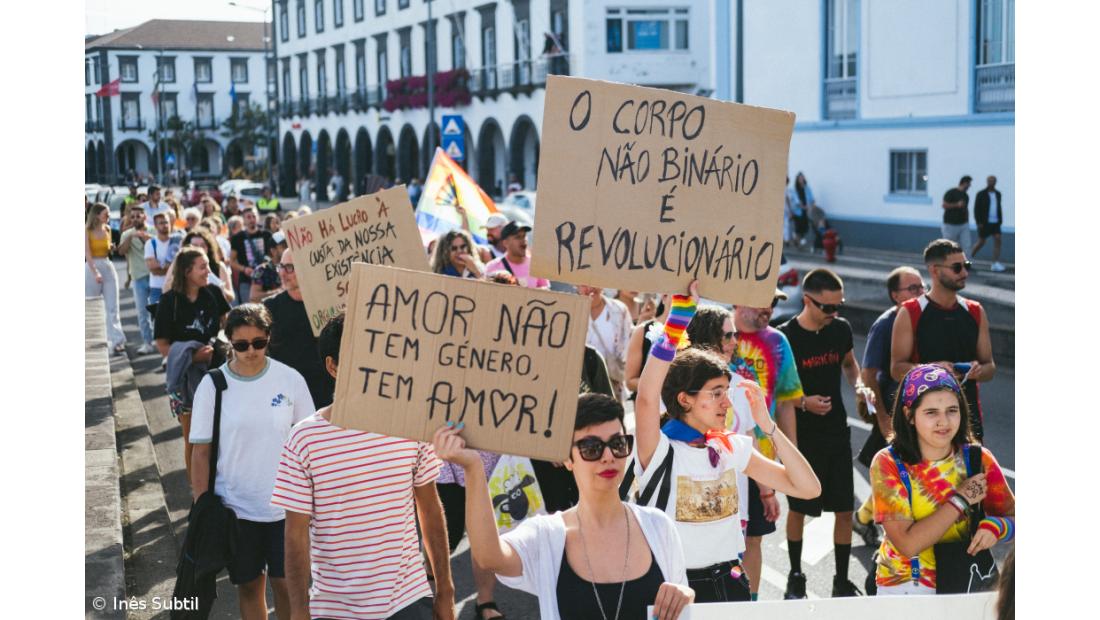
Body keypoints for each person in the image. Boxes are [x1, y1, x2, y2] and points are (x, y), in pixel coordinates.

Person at [634, 282, 821, 603]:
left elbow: (808, 489)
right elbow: (647, 397)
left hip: (730, 581)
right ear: (685, 399)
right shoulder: (660, 450)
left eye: (726, 392)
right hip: (672, 584)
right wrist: (678, 318)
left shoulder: (730, 447)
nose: (726, 403)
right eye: (716, 393)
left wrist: (769, 427)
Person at [433, 393, 696, 619]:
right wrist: (473, 468)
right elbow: (489, 556)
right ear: (567, 459)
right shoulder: (546, 535)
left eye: (617, 444)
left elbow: (682, 604)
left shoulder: (658, 526)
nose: (608, 457)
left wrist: (686, 596)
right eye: (591, 448)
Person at [274, 313, 456, 620]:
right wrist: (298, 611)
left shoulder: (411, 424)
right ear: (333, 367)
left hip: (409, 601)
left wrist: (445, 590)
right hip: (335, 610)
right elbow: (295, 535)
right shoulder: (304, 439)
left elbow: (429, 508)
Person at [190, 304, 315, 619]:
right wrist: (202, 506)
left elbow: (310, 444)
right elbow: (200, 452)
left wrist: (315, 499)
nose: (251, 351)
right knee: (248, 587)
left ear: (268, 338)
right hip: (236, 509)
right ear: (229, 341)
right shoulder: (213, 385)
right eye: (241, 345)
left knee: (288, 586)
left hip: (286, 509)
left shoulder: (290, 380)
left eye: (258, 342)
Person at [870, 365, 1014, 595]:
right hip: (905, 590)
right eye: (931, 412)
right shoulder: (888, 463)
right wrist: (962, 499)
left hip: (966, 584)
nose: (944, 421)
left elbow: (1014, 517)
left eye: (952, 410)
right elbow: (908, 545)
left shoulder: (978, 459)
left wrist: (997, 527)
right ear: (909, 416)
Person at [778, 268, 875, 598]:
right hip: (802, 437)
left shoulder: (840, 329)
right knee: (800, 509)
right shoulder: (786, 336)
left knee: (844, 509)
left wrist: (859, 386)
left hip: (836, 432)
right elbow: (774, 391)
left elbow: (849, 364)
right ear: (807, 301)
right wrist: (803, 402)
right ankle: (795, 575)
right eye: (828, 307)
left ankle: (841, 580)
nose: (835, 313)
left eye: (839, 306)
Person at [727, 290, 804, 600]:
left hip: (761, 462)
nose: (769, 309)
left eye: (774, 303)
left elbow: (786, 402)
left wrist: (791, 456)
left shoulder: (778, 342)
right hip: (721, 458)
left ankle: (751, 604)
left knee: (754, 538)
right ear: (736, 299)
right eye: (762, 301)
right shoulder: (712, 335)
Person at [891, 239, 995, 441]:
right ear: (935, 271)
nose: (964, 272)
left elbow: (990, 367)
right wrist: (932, 371)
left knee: (973, 473)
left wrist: (978, 370)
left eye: (967, 266)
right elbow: (896, 369)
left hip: (968, 422)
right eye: (957, 267)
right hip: (926, 425)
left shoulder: (975, 311)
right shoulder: (911, 311)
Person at [854, 266, 925, 548]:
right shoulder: (885, 324)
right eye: (913, 289)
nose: (921, 293)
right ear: (896, 296)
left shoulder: (924, 317)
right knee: (898, 474)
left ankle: (864, 517)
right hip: (893, 411)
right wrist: (883, 419)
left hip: (917, 411)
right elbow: (869, 373)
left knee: (912, 471)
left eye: (922, 287)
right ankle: (889, 534)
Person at [154, 248, 231, 482]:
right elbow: (162, 345)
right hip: (184, 382)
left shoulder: (214, 294)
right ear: (187, 271)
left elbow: (227, 329)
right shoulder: (169, 302)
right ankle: (197, 493)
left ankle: (217, 484)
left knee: (221, 433)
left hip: (217, 374)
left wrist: (218, 347)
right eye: (202, 266)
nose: (209, 271)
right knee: (193, 437)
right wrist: (192, 356)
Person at [261, 249, 335, 408]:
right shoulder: (269, 307)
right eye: (281, 266)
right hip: (286, 395)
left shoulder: (327, 305)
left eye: (290, 268)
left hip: (324, 392)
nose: (283, 273)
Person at [577, 285, 634, 402]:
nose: (590, 288)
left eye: (594, 281)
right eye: (584, 284)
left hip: (613, 382)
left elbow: (628, 345)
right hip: (580, 382)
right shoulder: (570, 309)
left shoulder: (619, 309)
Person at [85, 203, 127, 354]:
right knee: (92, 305)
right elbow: (87, 254)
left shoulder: (108, 229)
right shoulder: (86, 230)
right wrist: (95, 272)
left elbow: (107, 249)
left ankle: (116, 340)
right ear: (96, 215)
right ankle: (93, 340)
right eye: (106, 214)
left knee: (112, 306)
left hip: (107, 265)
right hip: (91, 267)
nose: (108, 217)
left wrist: (112, 248)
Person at [118, 207, 157, 354]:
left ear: (144, 217)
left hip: (155, 277)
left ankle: (161, 341)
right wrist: (130, 237)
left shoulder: (153, 231)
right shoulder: (127, 234)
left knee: (159, 311)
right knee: (142, 313)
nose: (135, 219)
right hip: (138, 277)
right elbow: (121, 251)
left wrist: (146, 238)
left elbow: (160, 249)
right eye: (132, 217)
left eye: (138, 216)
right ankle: (147, 343)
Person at [164, 229, 236, 304]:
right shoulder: (179, 265)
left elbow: (231, 297)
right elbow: (166, 290)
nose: (199, 249)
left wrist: (219, 288)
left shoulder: (219, 267)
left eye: (202, 246)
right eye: (194, 246)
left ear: (208, 248)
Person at [624, 296, 669, 400]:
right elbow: (630, 381)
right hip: (648, 406)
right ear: (664, 297)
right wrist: (667, 387)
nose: (683, 301)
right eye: (678, 295)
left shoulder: (695, 330)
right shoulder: (643, 331)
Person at [229, 206, 277, 304]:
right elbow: (232, 261)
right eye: (248, 217)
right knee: (249, 312)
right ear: (243, 220)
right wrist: (244, 269)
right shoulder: (237, 238)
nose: (252, 219)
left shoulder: (266, 235)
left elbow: (274, 255)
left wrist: (267, 263)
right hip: (246, 281)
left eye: (254, 216)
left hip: (266, 279)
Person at [484, 221, 550, 289]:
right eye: (518, 237)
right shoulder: (492, 267)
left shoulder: (536, 265)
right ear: (506, 243)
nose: (523, 240)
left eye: (524, 236)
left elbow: (546, 291)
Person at [144, 212, 182, 307]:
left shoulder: (178, 241)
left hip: (175, 287)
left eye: (166, 222)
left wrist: (162, 267)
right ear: (156, 226)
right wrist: (173, 268)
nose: (165, 225)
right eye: (161, 223)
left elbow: (182, 266)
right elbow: (154, 270)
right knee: (156, 318)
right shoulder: (151, 243)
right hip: (157, 288)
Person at [971, 175, 1005, 272]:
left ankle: (995, 263)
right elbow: (976, 209)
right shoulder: (981, 194)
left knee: (998, 240)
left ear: (995, 182)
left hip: (996, 222)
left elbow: (998, 207)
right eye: (990, 181)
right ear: (987, 182)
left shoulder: (998, 194)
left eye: (993, 181)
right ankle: (967, 259)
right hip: (984, 223)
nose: (991, 182)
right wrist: (978, 222)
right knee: (981, 242)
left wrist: (1000, 220)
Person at [941, 175, 973, 249]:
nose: (970, 186)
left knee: (967, 246)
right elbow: (944, 205)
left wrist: (967, 221)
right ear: (964, 183)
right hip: (950, 224)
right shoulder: (951, 192)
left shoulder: (966, 195)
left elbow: (966, 208)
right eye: (969, 184)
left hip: (963, 224)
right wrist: (956, 205)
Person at [793, 173, 814, 249]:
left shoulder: (807, 188)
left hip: (806, 212)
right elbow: (796, 201)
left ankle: (799, 242)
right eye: (800, 178)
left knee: (804, 228)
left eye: (802, 178)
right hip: (798, 212)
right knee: (798, 229)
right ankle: (798, 242)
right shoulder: (795, 189)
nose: (801, 180)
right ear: (797, 180)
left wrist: (810, 206)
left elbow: (812, 199)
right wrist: (803, 207)